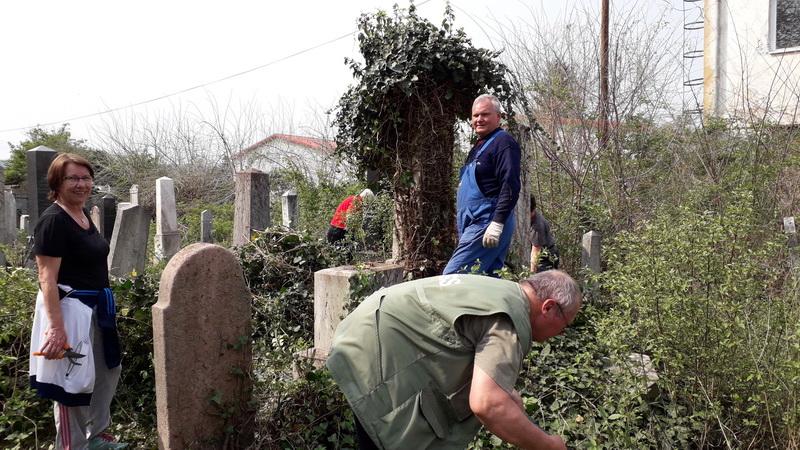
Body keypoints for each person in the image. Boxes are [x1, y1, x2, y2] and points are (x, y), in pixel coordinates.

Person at [327, 270, 582, 450]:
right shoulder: (510, 319)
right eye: (565, 325)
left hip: (365, 332)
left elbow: (464, 346)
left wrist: (505, 394)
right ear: (549, 307)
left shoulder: (500, 292)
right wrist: (548, 445)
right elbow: (488, 404)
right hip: (376, 353)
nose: (560, 334)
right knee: (388, 435)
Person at [29, 153, 126, 450]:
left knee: (107, 371)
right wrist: (56, 328)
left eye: (86, 178)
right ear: (57, 183)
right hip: (69, 311)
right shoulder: (53, 221)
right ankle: (72, 446)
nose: (81, 184)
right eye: (73, 178)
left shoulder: (82, 215)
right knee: (72, 380)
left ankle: (97, 437)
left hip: (96, 310)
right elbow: (47, 278)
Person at [443, 94, 521, 276]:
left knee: (453, 277)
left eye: (485, 114)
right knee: (487, 282)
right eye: (475, 115)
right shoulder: (478, 147)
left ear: (498, 117)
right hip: (472, 223)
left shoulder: (503, 142)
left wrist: (497, 223)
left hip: (486, 221)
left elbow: (510, 184)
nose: (479, 119)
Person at [529, 195, 559, 273]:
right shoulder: (531, 217)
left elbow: (536, 253)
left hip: (546, 258)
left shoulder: (537, 226)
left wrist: (531, 275)